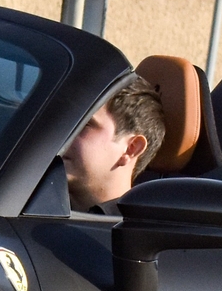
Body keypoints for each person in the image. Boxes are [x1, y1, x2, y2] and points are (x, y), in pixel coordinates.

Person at [63, 74, 165, 210]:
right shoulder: (32, 203)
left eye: (83, 124)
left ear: (131, 149)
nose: (63, 133)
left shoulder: (137, 230)